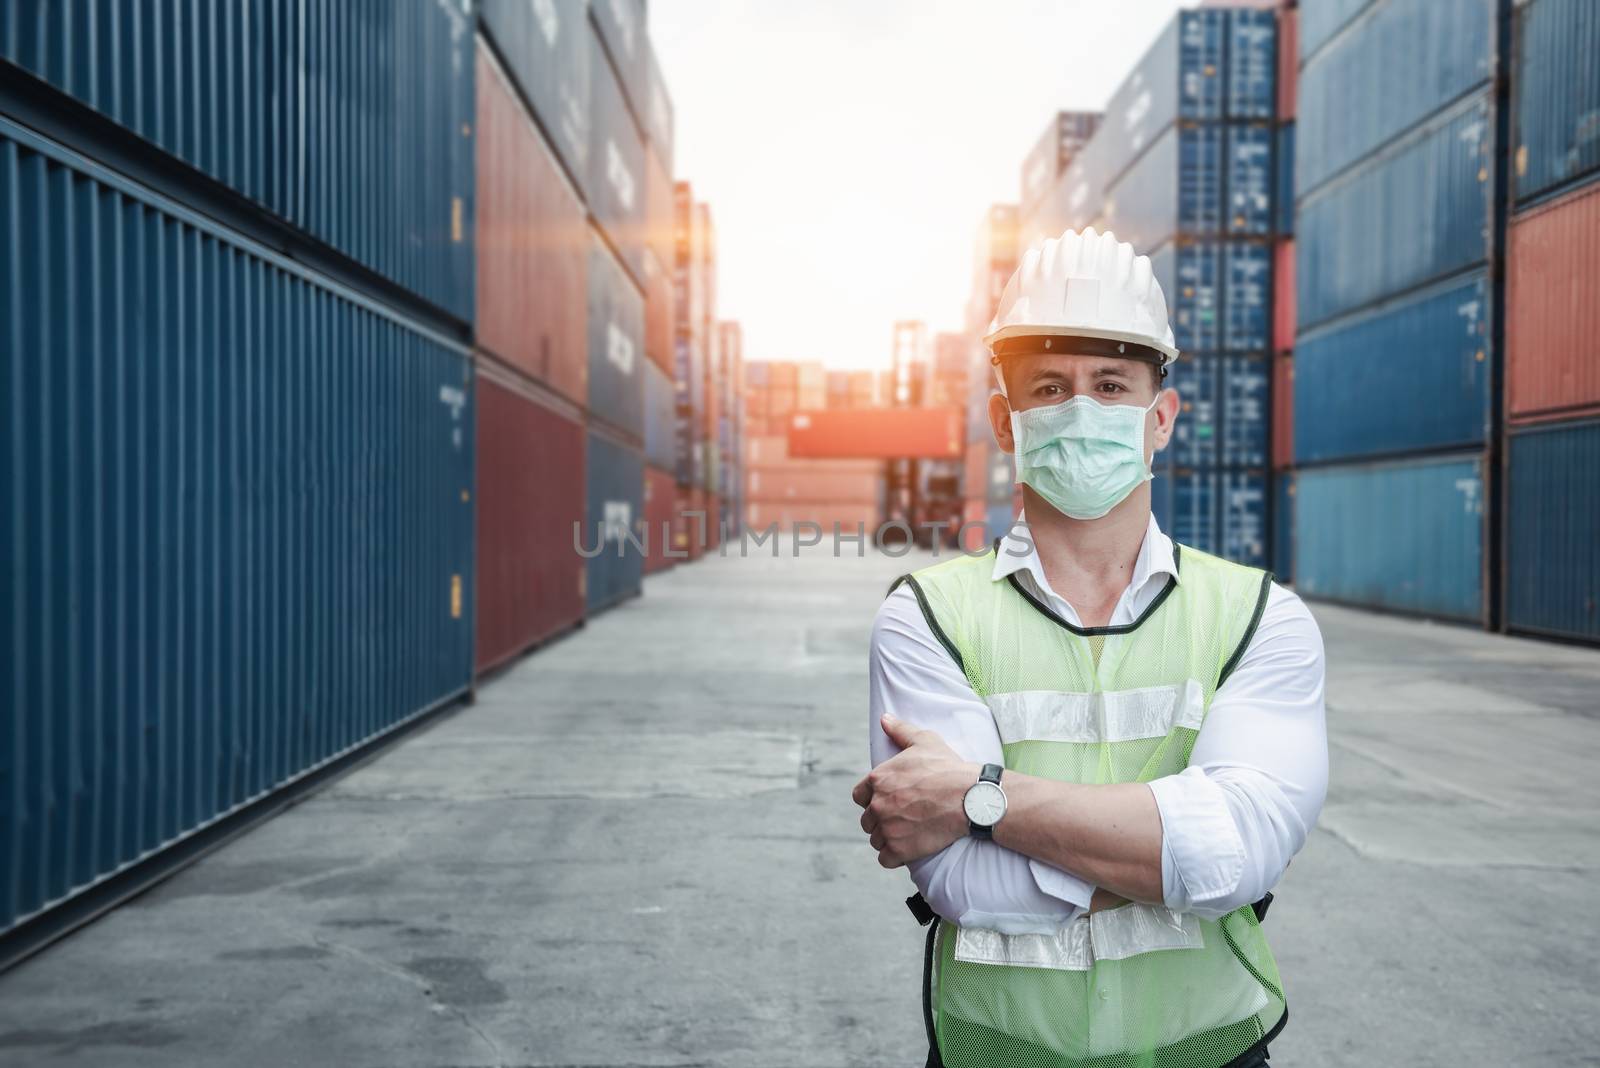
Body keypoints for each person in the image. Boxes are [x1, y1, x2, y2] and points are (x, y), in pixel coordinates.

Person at [852, 228, 1327, 1068]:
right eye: (1049, 386)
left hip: (1204, 1051)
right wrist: (1172, 863)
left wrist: (977, 798)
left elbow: (1239, 854)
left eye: (1111, 385)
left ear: (1161, 419)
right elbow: (962, 886)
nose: (1081, 410)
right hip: (1000, 1053)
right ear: (1006, 421)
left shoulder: (1259, 616)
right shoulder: (927, 615)